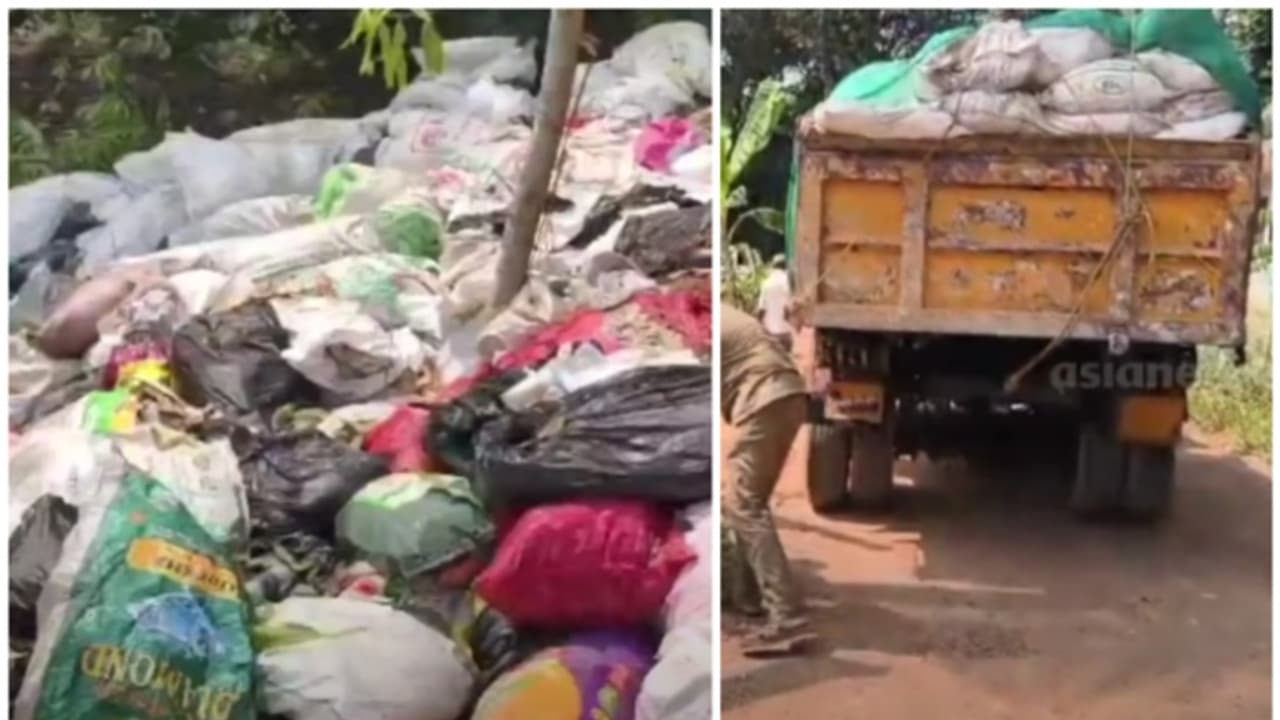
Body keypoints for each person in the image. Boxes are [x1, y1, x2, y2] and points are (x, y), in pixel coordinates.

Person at [721, 303, 816, 656]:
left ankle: (786, 619)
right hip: (783, 395)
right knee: (745, 500)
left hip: (766, 398)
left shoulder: (704, 326)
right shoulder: (723, 316)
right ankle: (748, 598)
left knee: (743, 503)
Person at [756, 257, 792, 352]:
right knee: (787, 359)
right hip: (785, 330)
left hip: (770, 332)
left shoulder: (766, 283)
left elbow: (761, 308)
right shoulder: (788, 282)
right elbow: (789, 307)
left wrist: (757, 323)